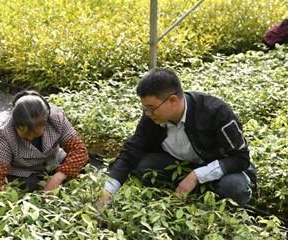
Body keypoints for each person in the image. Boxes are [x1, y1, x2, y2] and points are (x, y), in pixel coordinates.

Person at [98, 68, 256, 206]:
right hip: (183, 165)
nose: (147, 114)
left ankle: (219, 207)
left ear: (172, 100)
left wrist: (196, 176)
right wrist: (108, 192)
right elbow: (131, 152)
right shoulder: (152, 117)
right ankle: (186, 197)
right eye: (144, 108)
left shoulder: (215, 112)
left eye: (151, 108)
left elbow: (240, 159)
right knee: (144, 166)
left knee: (234, 187)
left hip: (222, 169)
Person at [0, 90, 89, 193]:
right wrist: (6, 197)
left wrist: (58, 177)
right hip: (24, 171)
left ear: (45, 123)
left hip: (54, 162)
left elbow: (79, 150)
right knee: (31, 185)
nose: (30, 138)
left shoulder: (56, 118)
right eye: (25, 136)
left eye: (35, 134)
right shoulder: (5, 134)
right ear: (15, 124)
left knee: (82, 166)